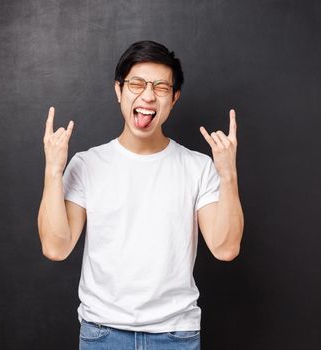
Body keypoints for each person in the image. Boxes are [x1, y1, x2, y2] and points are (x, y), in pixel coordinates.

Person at [37, 40, 244, 350]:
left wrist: (228, 174)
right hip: (102, 334)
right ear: (119, 90)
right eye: (137, 84)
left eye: (161, 88)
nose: (148, 95)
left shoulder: (198, 167)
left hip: (176, 335)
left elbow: (225, 248)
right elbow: (56, 247)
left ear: (174, 99)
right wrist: (53, 171)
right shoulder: (86, 164)